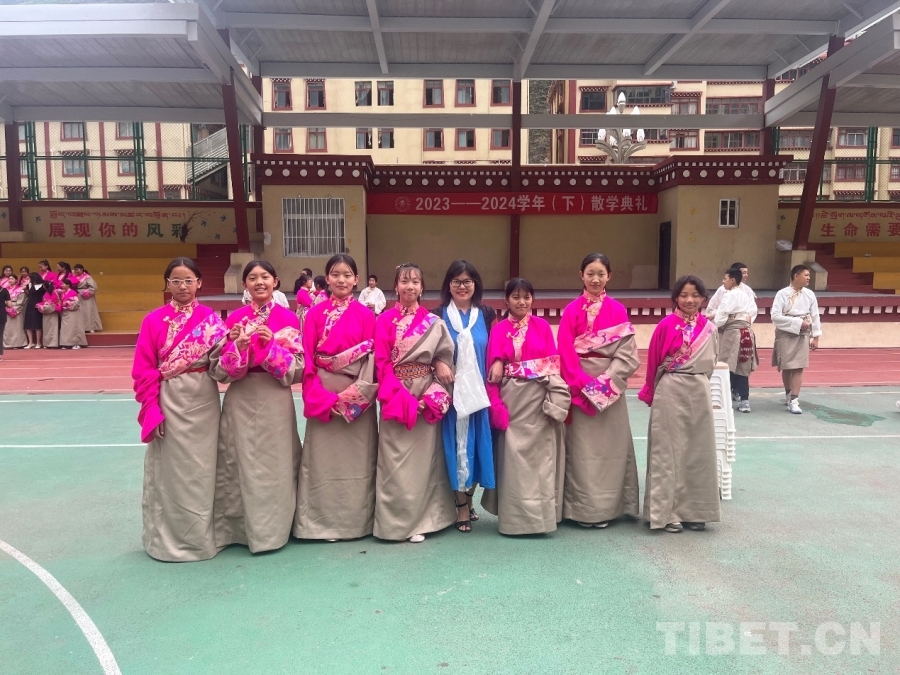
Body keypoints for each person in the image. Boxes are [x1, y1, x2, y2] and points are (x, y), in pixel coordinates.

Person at [131, 258, 228, 562]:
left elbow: (222, 367)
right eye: (176, 280)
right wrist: (151, 409)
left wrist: (237, 347)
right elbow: (144, 369)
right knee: (171, 472)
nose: (182, 286)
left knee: (203, 470)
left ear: (199, 283)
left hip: (203, 401)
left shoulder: (210, 320)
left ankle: (204, 538)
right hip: (168, 400)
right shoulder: (152, 321)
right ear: (167, 284)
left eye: (188, 280)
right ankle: (168, 541)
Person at [210, 260, 303, 553]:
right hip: (240, 397)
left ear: (276, 281)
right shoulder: (235, 319)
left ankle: (276, 530)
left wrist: (270, 348)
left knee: (277, 463)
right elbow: (219, 371)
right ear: (245, 285)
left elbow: (299, 368)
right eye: (252, 278)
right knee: (238, 461)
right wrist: (236, 347)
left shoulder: (289, 318)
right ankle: (238, 530)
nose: (259, 282)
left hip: (275, 396)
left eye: (265, 277)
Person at [294, 253, 378, 542]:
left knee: (358, 462)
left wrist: (353, 398)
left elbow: (371, 362)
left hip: (357, 395)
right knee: (322, 463)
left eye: (347, 275)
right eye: (335, 274)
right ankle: (321, 524)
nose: (341, 280)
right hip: (323, 394)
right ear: (327, 278)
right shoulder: (314, 314)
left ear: (356, 280)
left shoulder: (367, 316)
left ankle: (359, 523)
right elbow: (307, 360)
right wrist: (324, 400)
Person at [373, 263, 457, 543]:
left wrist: (437, 368)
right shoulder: (383, 321)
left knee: (424, 463)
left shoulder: (434, 322)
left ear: (422, 288)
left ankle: (424, 521)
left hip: (425, 390)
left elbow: (446, 358)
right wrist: (404, 400)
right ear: (395, 286)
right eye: (404, 281)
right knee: (393, 462)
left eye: (415, 281)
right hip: (394, 392)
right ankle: (394, 524)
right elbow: (381, 364)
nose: (409, 286)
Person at [558, 253, 641, 529]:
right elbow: (565, 352)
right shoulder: (571, 310)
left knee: (611, 450)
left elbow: (627, 353)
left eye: (601, 274)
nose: (595, 279)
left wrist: (603, 386)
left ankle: (610, 508)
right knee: (580, 451)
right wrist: (582, 385)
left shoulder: (618, 310)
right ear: (581, 275)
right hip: (578, 387)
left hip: (610, 388)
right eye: (590, 273)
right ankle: (582, 510)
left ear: (609, 277)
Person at [482, 278, 570, 535]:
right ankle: (513, 522)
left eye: (527, 297)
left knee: (540, 462)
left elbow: (552, 368)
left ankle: (541, 521)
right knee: (512, 463)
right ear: (506, 300)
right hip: (511, 401)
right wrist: (496, 406)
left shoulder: (542, 327)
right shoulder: (498, 331)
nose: (522, 302)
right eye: (516, 297)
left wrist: (553, 401)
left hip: (538, 400)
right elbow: (491, 375)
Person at [639, 275, 721, 533]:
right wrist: (651, 393)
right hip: (670, 391)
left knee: (699, 451)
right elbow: (653, 363)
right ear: (675, 297)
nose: (689, 300)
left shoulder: (710, 329)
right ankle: (667, 513)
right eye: (684, 295)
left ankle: (697, 511)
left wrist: (697, 381)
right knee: (667, 453)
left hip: (699, 391)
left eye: (695, 295)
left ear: (703, 299)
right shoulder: (665, 326)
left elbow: (711, 362)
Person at [434, 260, 496, 533]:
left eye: (467, 281)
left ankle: (469, 498)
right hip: (451, 396)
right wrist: (439, 362)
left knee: (478, 448)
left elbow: (497, 347)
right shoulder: (437, 315)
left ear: (475, 285)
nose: (462, 286)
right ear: (449, 285)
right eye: (457, 281)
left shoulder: (487, 314)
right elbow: (429, 350)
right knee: (454, 447)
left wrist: (499, 362)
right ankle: (460, 505)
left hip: (480, 395)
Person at [771, 264, 822, 415]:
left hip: (803, 333)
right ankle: (788, 394)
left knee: (799, 366)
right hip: (786, 331)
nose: (808, 278)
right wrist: (797, 322)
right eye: (806, 275)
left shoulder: (809, 294)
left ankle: (794, 399)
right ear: (796, 276)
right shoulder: (782, 294)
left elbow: (815, 316)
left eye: (809, 275)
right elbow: (775, 316)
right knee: (787, 366)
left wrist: (816, 337)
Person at [712, 267, 758, 413]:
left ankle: (725, 396)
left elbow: (722, 316)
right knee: (743, 365)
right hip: (746, 331)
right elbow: (751, 312)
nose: (723, 281)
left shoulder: (729, 295)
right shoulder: (746, 294)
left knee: (727, 364)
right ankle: (744, 400)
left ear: (732, 280)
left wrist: (713, 323)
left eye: (725, 279)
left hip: (732, 332)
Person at [58, 277, 88, 350]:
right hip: (65, 312)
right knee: (65, 329)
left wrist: (67, 303)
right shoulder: (62, 293)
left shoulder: (73, 292)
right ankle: (66, 343)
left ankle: (75, 343)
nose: (62, 285)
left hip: (73, 312)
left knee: (74, 328)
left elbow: (76, 303)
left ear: (68, 285)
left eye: (63, 284)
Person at [2, 268, 28, 350]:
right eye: (9, 279)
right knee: (7, 328)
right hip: (6, 309)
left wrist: (13, 309)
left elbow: (21, 302)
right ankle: (7, 344)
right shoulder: (5, 290)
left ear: (16, 280)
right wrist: (6, 307)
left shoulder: (20, 290)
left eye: (12, 279)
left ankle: (18, 343)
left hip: (17, 311)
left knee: (17, 328)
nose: (10, 280)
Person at [72, 264, 103, 333]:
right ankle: (81, 328)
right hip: (78, 296)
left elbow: (94, 287)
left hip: (87, 298)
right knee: (80, 313)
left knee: (88, 312)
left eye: (77, 270)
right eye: (75, 270)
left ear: (82, 269)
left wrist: (84, 293)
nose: (76, 271)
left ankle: (91, 327)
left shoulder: (87, 277)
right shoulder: (74, 277)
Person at [23, 272, 47, 349]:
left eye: (30, 278)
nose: (29, 279)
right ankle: (30, 343)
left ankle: (38, 343)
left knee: (37, 324)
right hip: (30, 305)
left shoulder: (42, 286)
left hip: (38, 305)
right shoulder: (28, 285)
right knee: (28, 324)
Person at [37, 284, 60, 349]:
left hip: (52, 312)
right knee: (47, 329)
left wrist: (46, 307)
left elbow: (56, 303)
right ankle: (47, 344)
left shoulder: (54, 293)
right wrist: (41, 306)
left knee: (53, 328)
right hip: (46, 312)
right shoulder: (46, 293)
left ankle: (53, 344)